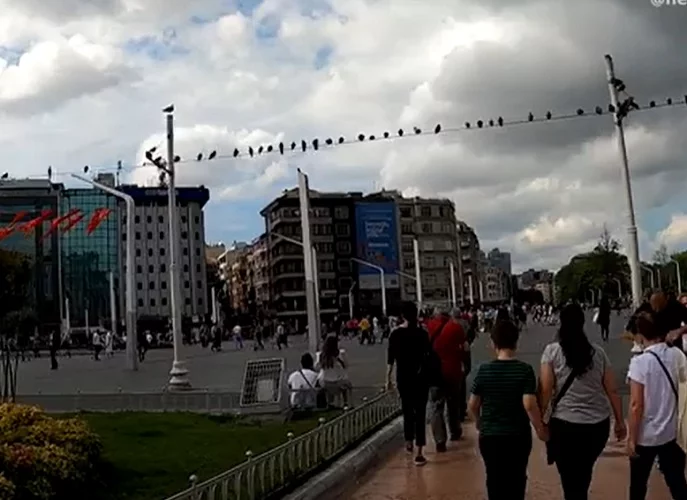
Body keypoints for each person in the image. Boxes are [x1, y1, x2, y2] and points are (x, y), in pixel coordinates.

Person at [539, 303, 626, 500]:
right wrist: (620, 422)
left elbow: (545, 390)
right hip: (596, 426)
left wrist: (541, 422)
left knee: (570, 480)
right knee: (584, 474)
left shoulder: (551, 352)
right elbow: (612, 390)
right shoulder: (598, 353)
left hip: (564, 425)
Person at [468, 320, 547, 500]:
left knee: (494, 478)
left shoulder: (483, 370)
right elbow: (529, 404)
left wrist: (480, 423)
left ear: (493, 344)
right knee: (517, 478)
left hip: (490, 436)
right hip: (517, 435)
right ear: (516, 342)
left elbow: (472, 405)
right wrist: (540, 428)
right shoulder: (524, 370)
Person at [627, 312, 687, 499]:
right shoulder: (676, 354)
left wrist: (631, 438)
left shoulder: (639, 363)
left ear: (640, 335)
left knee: (638, 485)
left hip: (646, 435)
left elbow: (636, 405)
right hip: (672, 433)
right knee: (677, 482)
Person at [387, 301, 431, 466]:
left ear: (402, 315)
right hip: (420, 378)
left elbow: (390, 359)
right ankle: (419, 452)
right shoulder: (422, 333)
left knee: (407, 411)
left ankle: (408, 442)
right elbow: (428, 355)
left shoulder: (395, 334)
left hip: (403, 378)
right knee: (420, 413)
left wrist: (388, 379)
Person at [426, 306, 468, 451]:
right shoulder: (455, 327)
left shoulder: (428, 327)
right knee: (453, 403)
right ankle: (455, 431)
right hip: (453, 370)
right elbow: (465, 348)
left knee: (436, 406)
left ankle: (439, 440)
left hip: (434, 373)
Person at [315, 335, 351, 407]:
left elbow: (316, 367)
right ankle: (346, 402)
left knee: (324, 380)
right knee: (345, 382)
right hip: (339, 382)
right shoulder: (341, 353)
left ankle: (330, 403)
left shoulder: (320, 355)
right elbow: (346, 366)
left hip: (325, 383)